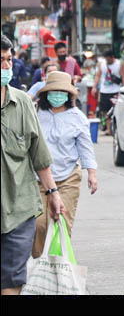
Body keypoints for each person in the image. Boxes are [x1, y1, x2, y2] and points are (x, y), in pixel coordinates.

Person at [1, 34, 64, 295]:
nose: (6, 67)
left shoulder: (23, 102)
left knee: (13, 280)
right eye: (0, 61)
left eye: (8, 60)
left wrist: (53, 193)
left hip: (19, 209)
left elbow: (39, 155)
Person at [32, 72, 98, 259]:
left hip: (68, 177)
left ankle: (60, 266)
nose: (58, 95)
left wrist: (92, 174)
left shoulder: (78, 117)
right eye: (54, 91)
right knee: (39, 224)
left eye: (62, 91)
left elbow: (85, 147)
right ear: (46, 93)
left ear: (69, 95)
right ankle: (39, 263)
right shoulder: (35, 113)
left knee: (61, 222)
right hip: (38, 179)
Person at [93, 50, 122, 134]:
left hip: (116, 91)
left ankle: (117, 130)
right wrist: (94, 87)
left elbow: (123, 76)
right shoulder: (101, 64)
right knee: (105, 111)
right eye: (106, 59)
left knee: (116, 111)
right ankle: (109, 129)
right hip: (104, 91)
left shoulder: (119, 64)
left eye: (108, 59)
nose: (107, 61)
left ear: (113, 57)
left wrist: (123, 90)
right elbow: (98, 75)